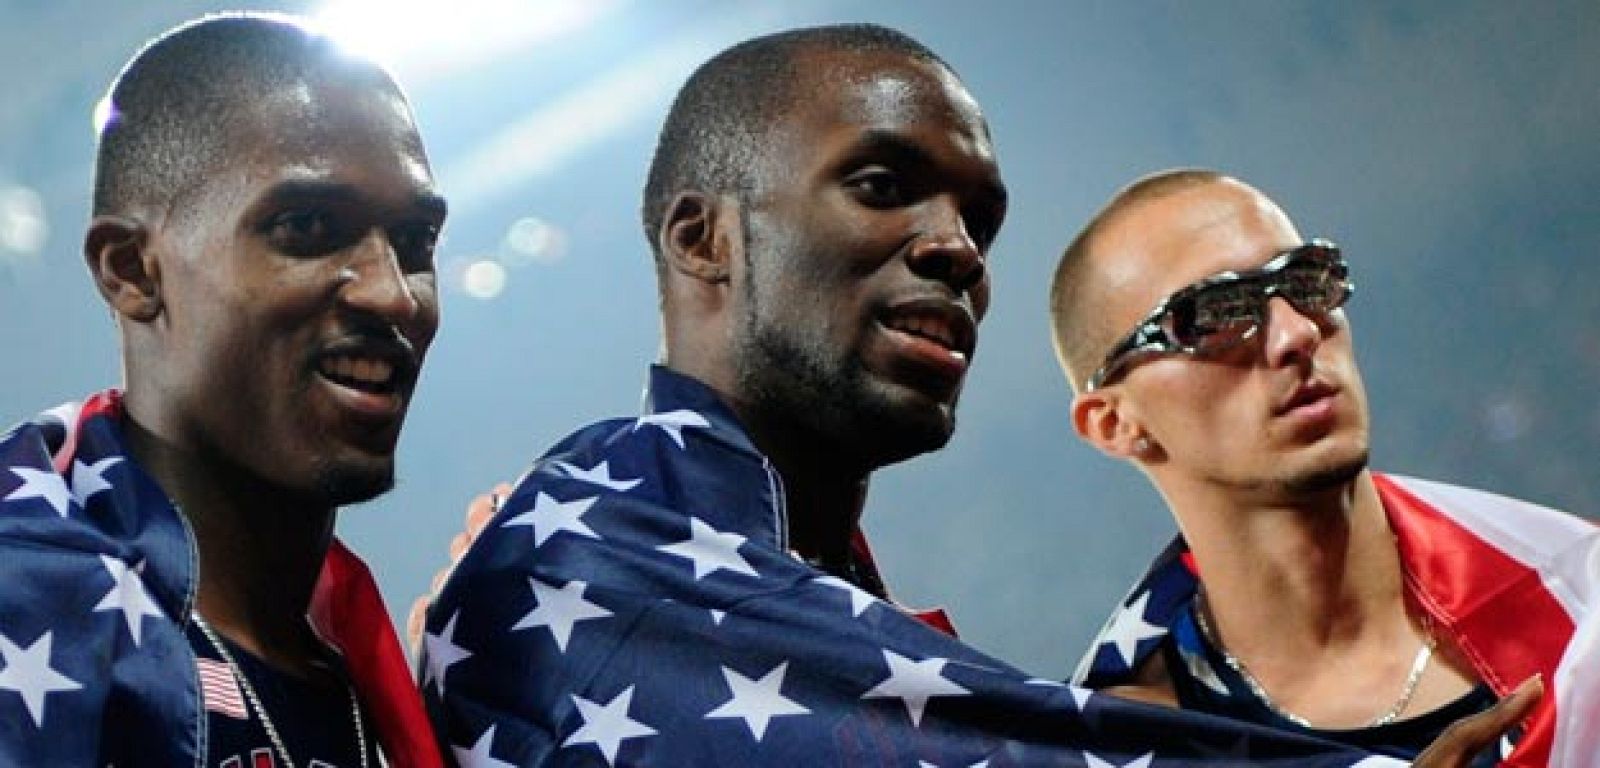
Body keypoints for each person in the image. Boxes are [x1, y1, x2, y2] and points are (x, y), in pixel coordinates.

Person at [421, 25, 1526, 766]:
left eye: (978, 218)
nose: (953, 247)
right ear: (704, 237)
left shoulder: (807, 593)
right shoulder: (590, 552)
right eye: (882, 187)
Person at [0, 13, 446, 766]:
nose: (393, 294)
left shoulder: (417, 694)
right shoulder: (27, 608)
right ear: (133, 270)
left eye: (415, 243)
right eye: (307, 226)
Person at [1054, 169, 1592, 766]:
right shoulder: (1126, 742)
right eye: (1214, 314)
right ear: (1114, 422)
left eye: (1306, 281)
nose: (1297, 333)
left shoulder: (1580, 605)